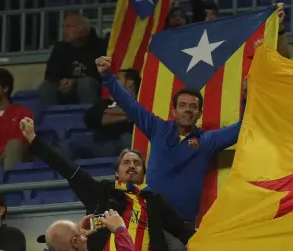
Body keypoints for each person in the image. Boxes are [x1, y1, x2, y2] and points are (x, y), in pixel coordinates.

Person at [21, 119, 194, 251]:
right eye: (126, 162)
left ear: (144, 173)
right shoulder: (101, 193)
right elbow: (67, 168)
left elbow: (183, 231)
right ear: (116, 173)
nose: (132, 165)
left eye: (137, 163)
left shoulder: (155, 201)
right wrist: (34, 140)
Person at [97, 55, 241, 223]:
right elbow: (129, 104)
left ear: (199, 114)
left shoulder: (206, 141)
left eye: (193, 106)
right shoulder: (158, 128)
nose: (188, 110)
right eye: (183, 105)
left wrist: (248, 94)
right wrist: (107, 76)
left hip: (183, 224)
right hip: (150, 219)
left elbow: (243, 127)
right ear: (174, 111)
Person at [39, 12, 107, 109]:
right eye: (63, 27)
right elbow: (50, 73)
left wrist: (75, 81)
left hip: (94, 87)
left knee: (86, 83)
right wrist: (60, 82)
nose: (64, 30)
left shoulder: (101, 46)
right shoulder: (59, 48)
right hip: (64, 88)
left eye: (69, 27)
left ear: (83, 30)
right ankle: (50, 116)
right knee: (46, 86)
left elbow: (102, 74)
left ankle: (92, 114)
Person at [75, 68, 137, 159]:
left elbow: (136, 114)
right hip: (101, 146)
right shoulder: (106, 102)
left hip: (124, 145)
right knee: (73, 142)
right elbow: (89, 118)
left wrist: (105, 114)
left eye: (117, 79)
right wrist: (125, 116)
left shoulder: (140, 103)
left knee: (127, 138)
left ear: (129, 83)